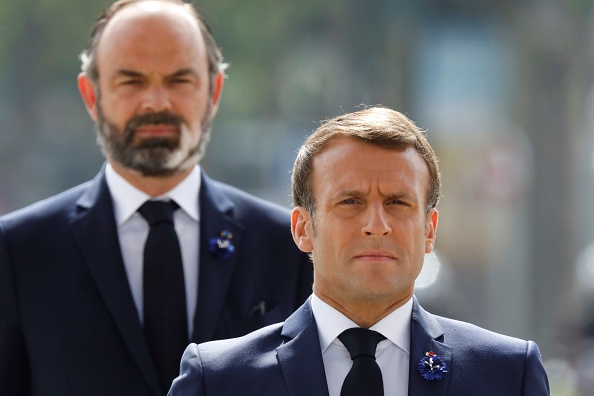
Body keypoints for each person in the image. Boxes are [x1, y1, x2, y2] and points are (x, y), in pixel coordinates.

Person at [0, 1, 313, 395]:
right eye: (131, 81)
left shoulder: (289, 247)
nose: (156, 102)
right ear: (91, 95)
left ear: (214, 91)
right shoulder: (18, 252)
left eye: (180, 80)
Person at [168, 106, 550, 396]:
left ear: (429, 230)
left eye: (398, 202)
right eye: (350, 201)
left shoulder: (506, 375)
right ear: (303, 229)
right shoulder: (218, 380)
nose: (377, 224)